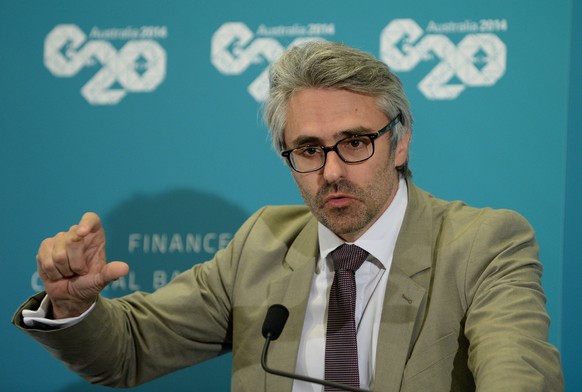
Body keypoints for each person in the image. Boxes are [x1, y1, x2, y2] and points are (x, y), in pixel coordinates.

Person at [13, 41, 563, 391]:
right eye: (307, 149)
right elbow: (128, 350)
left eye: (354, 142)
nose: (330, 172)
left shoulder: (484, 243)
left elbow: (519, 376)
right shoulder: (263, 243)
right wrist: (72, 304)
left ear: (400, 143)